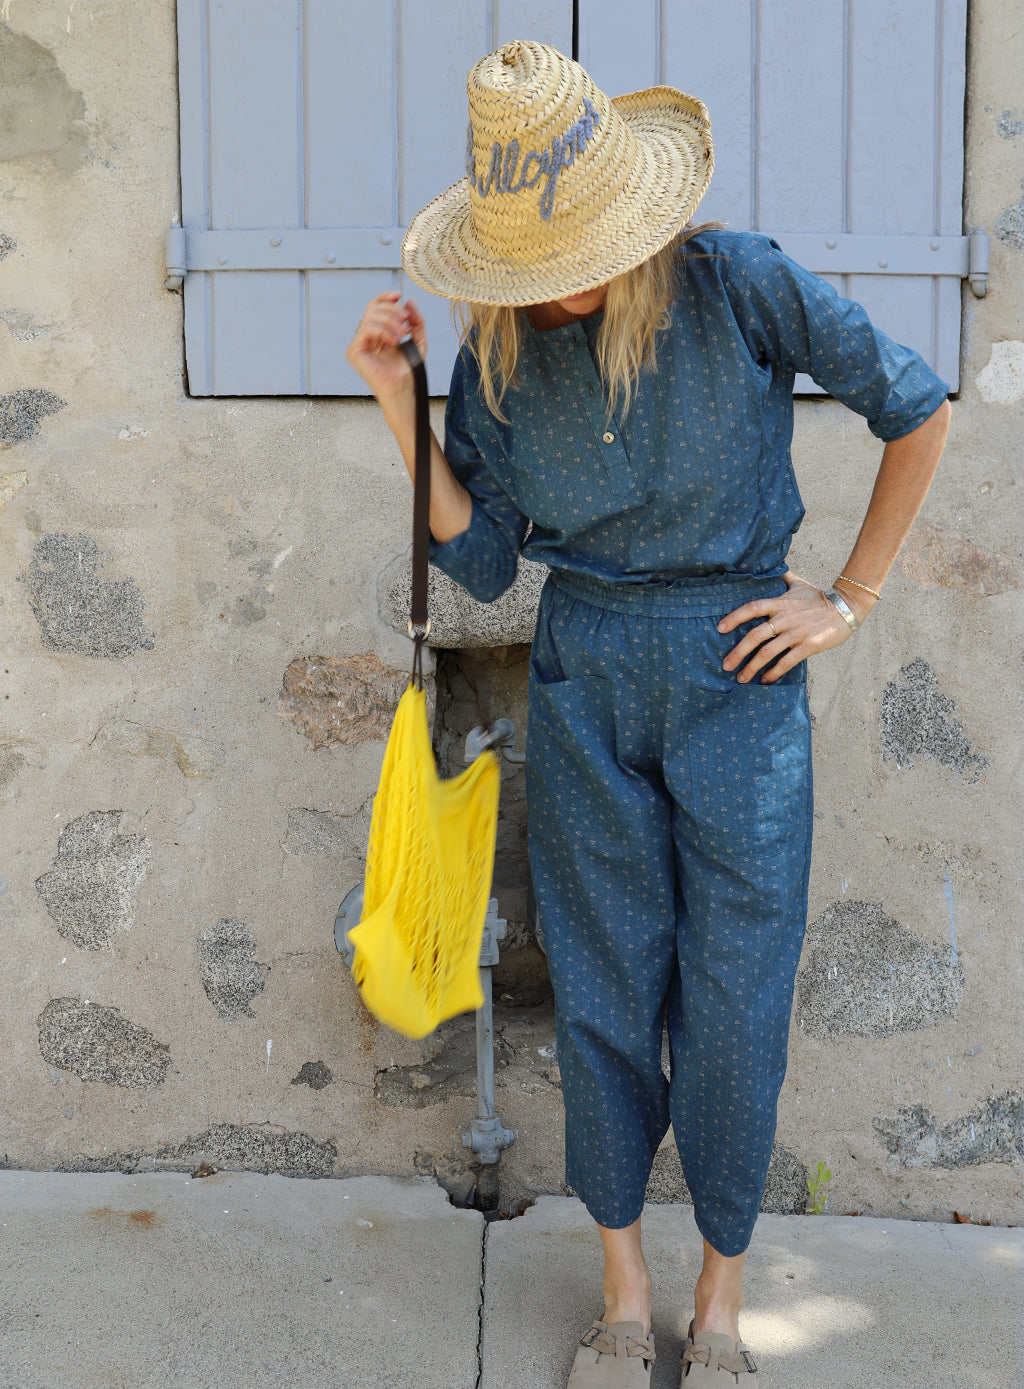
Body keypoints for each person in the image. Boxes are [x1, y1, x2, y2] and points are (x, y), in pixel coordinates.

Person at [346, 40, 950, 1389]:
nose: (559, 277)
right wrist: (403, 409)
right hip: (587, 665)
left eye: (577, 244)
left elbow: (916, 407)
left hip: (741, 672)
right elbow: (487, 561)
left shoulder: (740, 284)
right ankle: (624, 1293)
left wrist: (845, 599)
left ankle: (719, 1299)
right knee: (608, 990)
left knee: (735, 998)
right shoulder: (497, 354)